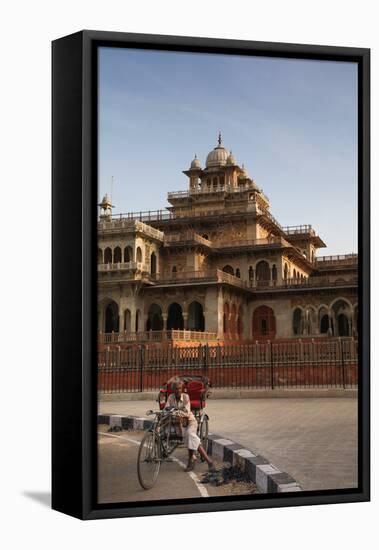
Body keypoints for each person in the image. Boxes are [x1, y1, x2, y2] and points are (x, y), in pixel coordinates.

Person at [164, 380, 215, 472]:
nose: (178, 390)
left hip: (190, 422)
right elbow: (166, 409)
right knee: (188, 437)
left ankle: (207, 461)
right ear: (173, 390)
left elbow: (186, 412)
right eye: (176, 389)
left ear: (182, 389)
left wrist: (174, 412)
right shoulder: (171, 397)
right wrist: (168, 412)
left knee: (190, 435)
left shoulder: (186, 397)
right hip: (178, 424)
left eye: (179, 388)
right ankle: (194, 459)